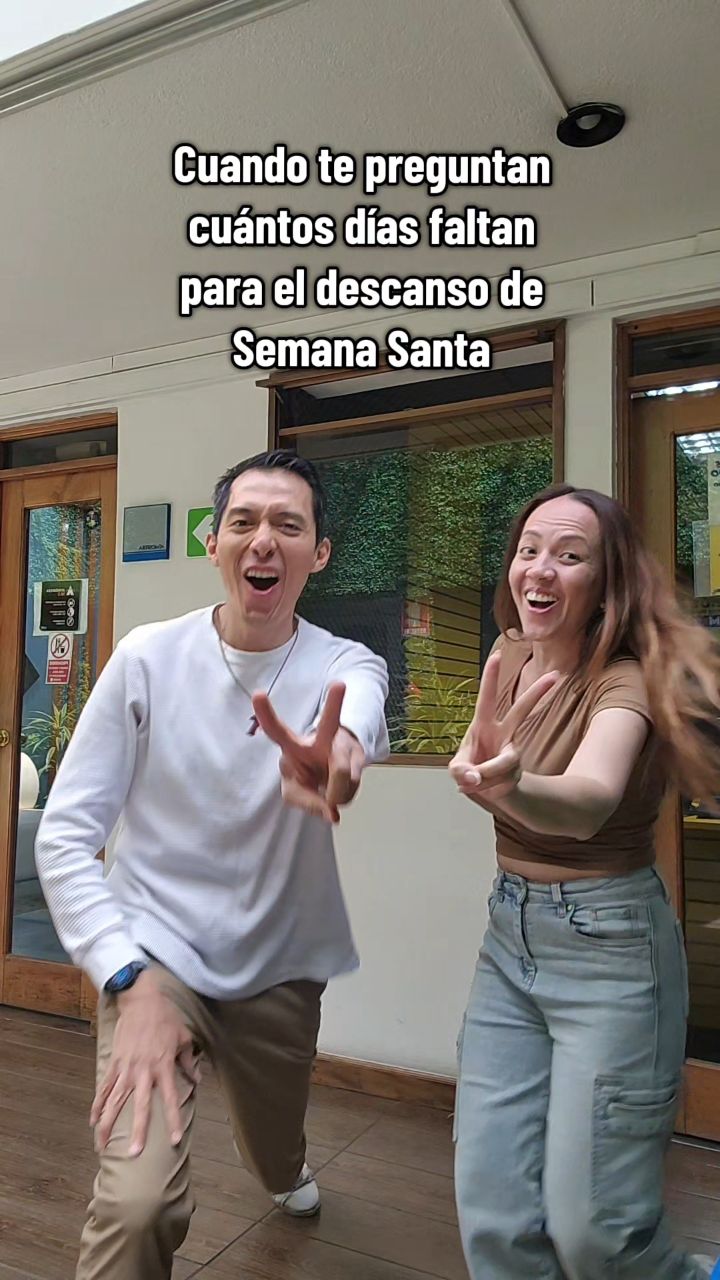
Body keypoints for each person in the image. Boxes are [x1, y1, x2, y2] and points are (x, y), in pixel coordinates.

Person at [35, 449, 389, 1280]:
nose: (263, 540)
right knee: (138, 1207)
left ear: (319, 554)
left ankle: (283, 1167)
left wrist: (337, 759)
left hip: (281, 963)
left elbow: (356, 723)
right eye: (243, 521)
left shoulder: (344, 664)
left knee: (274, 1144)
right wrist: (130, 979)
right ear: (213, 543)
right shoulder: (146, 659)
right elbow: (65, 833)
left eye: (288, 525)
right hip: (155, 959)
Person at [449, 484, 720, 1280]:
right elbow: (484, 763)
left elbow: (591, 800)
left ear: (606, 583)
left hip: (611, 947)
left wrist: (512, 786)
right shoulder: (508, 655)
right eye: (529, 549)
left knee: (597, 1236)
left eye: (569, 555)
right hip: (510, 939)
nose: (540, 568)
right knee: (495, 1216)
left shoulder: (625, 681)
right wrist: (490, 776)